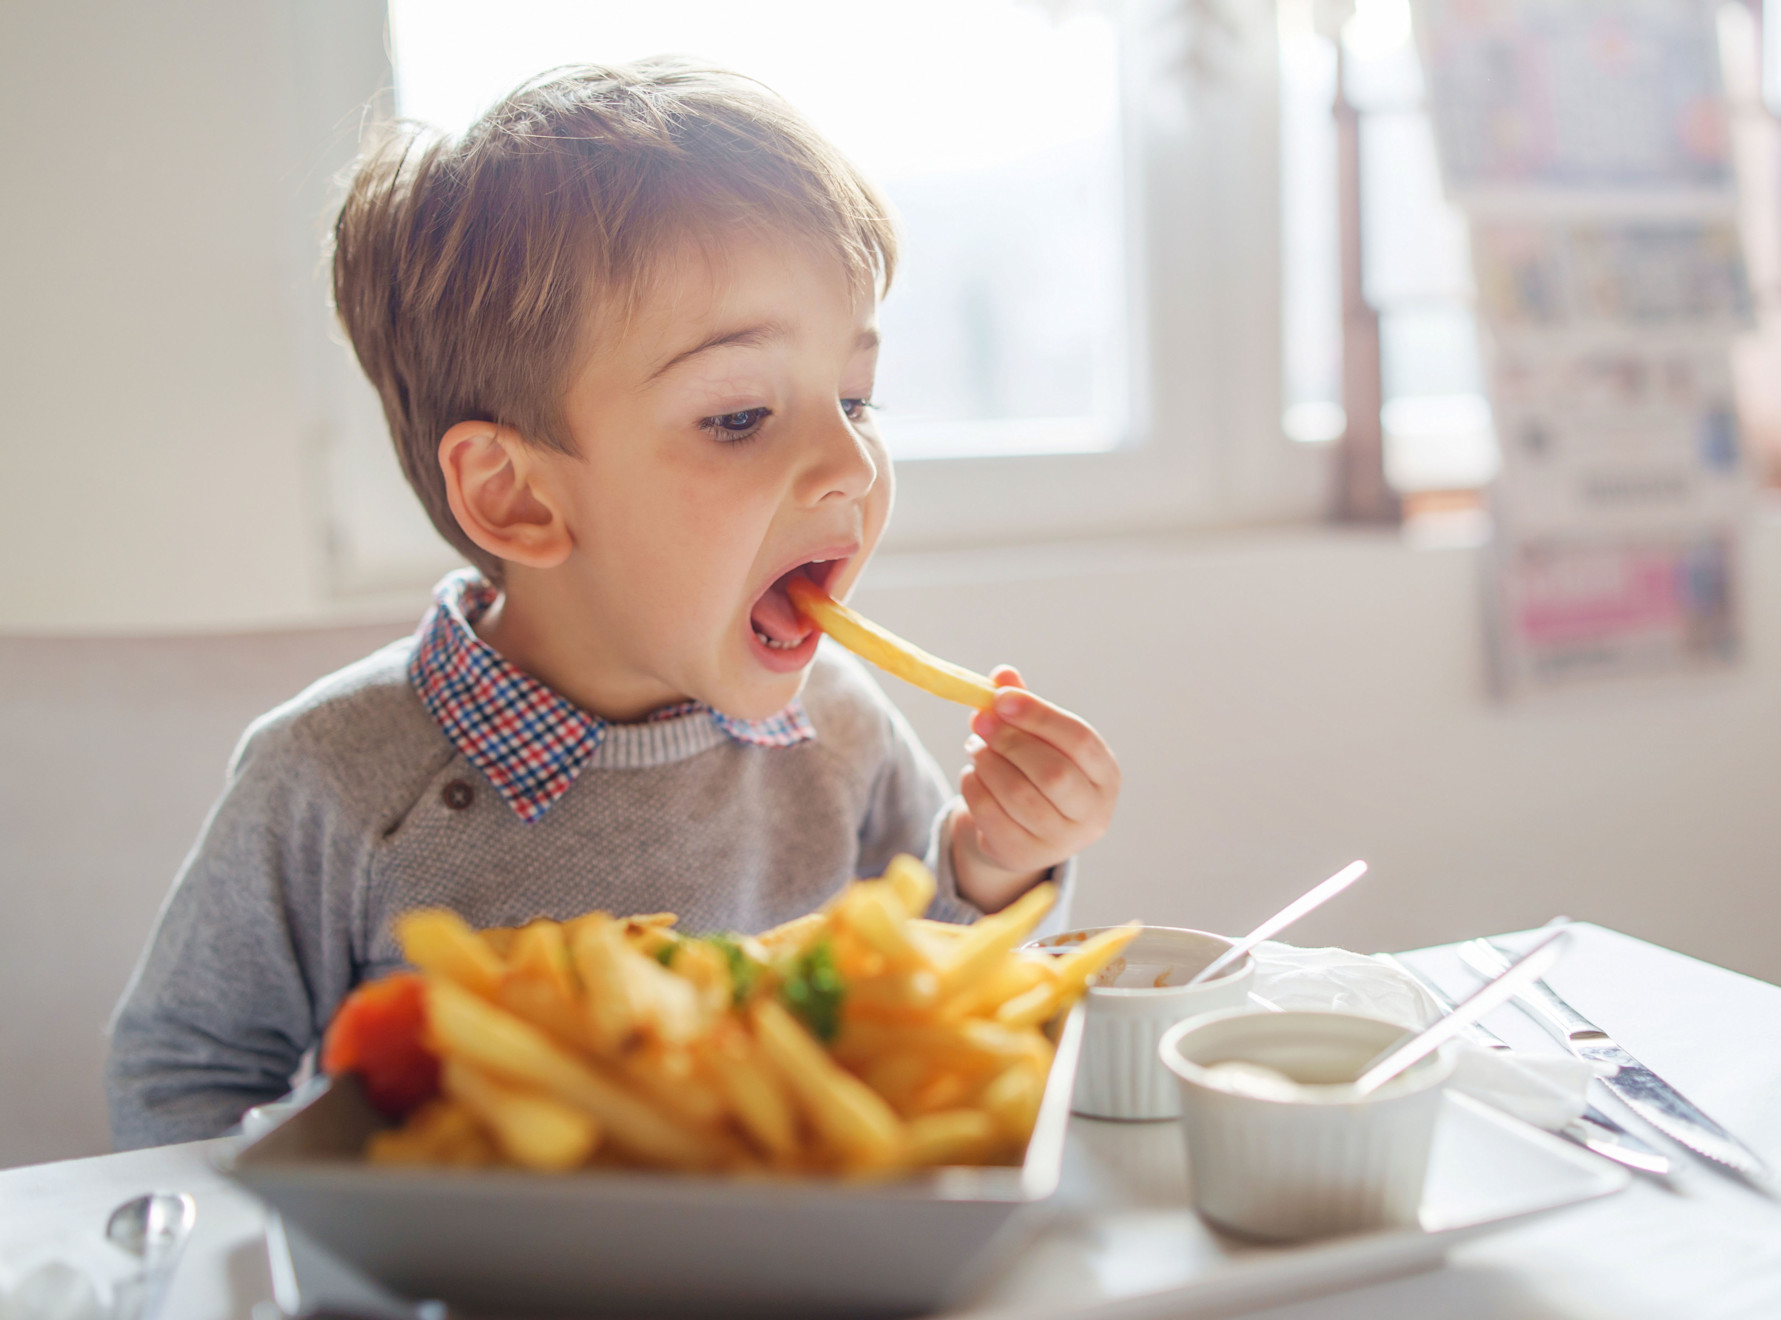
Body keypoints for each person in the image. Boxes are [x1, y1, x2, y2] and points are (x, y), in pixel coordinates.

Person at [105, 58, 1120, 1150]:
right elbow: (184, 1075)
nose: (850, 466)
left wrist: (995, 862)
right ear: (518, 495)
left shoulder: (841, 726)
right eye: (738, 416)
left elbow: (923, 995)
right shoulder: (332, 777)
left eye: (857, 399)